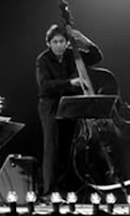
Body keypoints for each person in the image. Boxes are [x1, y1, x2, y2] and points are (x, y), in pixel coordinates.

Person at [36, 24, 103, 198]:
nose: (59, 45)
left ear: (67, 43)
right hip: (50, 105)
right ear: (49, 43)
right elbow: (44, 87)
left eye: (62, 41)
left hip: (70, 105)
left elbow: (96, 56)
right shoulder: (43, 60)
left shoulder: (71, 56)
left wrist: (83, 40)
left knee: (68, 147)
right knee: (51, 147)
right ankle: (49, 190)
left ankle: (65, 187)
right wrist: (70, 83)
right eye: (55, 42)